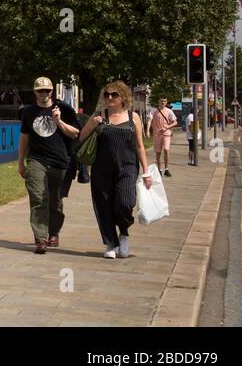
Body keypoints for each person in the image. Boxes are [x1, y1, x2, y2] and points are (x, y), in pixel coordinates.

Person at [78, 81, 152, 258]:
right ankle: (110, 243)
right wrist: (91, 125)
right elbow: (81, 137)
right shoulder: (99, 115)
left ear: (123, 97)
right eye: (106, 95)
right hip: (102, 169)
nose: (109, 98)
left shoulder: (132, 117)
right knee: (103, 206)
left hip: (127, 168)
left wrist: (146, 171)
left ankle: (124, 233)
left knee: (125, 203)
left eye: (114, 95)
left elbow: (140, 146)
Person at [17, 76, 80, 254]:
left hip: (59, 161)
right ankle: (40, 239)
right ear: (35, 92)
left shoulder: (64, 109)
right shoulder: (28, 112)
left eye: (47, 90)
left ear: (52, 91)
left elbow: (75, 134)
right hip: (36, 160)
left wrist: (59, 121)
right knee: (38, 197)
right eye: (40, 90)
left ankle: (54, 232)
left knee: (55, 201)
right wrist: (21, 162)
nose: (44, 93)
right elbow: (24, 137)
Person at [149, 96, 177, 177]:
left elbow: (175, 122)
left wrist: (167, 127)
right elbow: (150, 120)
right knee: (158, 153)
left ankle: (167, 169)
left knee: (166, 149)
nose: (163, 102)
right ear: (158, 101)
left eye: (164, 101)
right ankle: (160, 170)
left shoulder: (169, 111)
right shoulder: (154, 110)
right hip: (157, 134)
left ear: (166, 102)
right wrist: (147, 130)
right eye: (161, 101)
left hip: (166, 133)